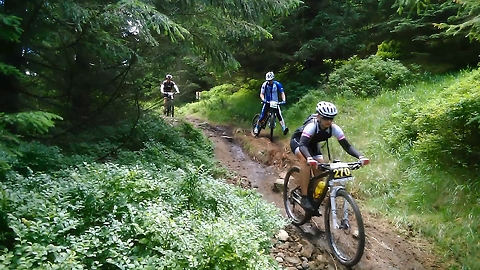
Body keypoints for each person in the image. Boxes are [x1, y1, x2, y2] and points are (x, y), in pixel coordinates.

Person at [289, 101, 370, 211]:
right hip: (299, 142)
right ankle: (304, 197)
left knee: (321, 167)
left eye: (331, 118)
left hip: (312, 145)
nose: (329, 121)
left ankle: (315, 198)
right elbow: (303, 145)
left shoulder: (334, 128)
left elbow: (347, 146)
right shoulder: (312, 126)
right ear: (319, 117)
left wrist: (360, 157)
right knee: (305, 163)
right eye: (326, 118)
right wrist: (309, 158)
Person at [253, 71, 289, 136]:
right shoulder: (265, 84)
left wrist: (284, 100)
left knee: (279, 115)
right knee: (262, 116)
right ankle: (256, 127)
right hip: (267, 102)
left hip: (275, 102)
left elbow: (282, 93)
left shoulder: (277, 84)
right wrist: (263, 99)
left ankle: (284, 128)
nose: (269, 81)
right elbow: (262, 93)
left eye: (271, 80)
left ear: (273, 79)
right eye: (268, 80)